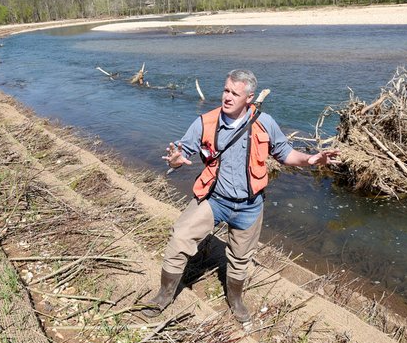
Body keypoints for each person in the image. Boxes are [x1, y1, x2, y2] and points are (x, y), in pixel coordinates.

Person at [141, 69, 340, 322]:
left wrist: (310, 159)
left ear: (249, 97)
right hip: (213, 199)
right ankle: (164, 295)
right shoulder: (205, 122)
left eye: (235, 93)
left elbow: (285, 154)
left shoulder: (265, 123)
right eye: (226, 90)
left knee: (240, 258)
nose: (228, 97)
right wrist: (176, 160)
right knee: (180, 237)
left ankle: (235, 299)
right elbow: (183, 151)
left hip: (249, 205)